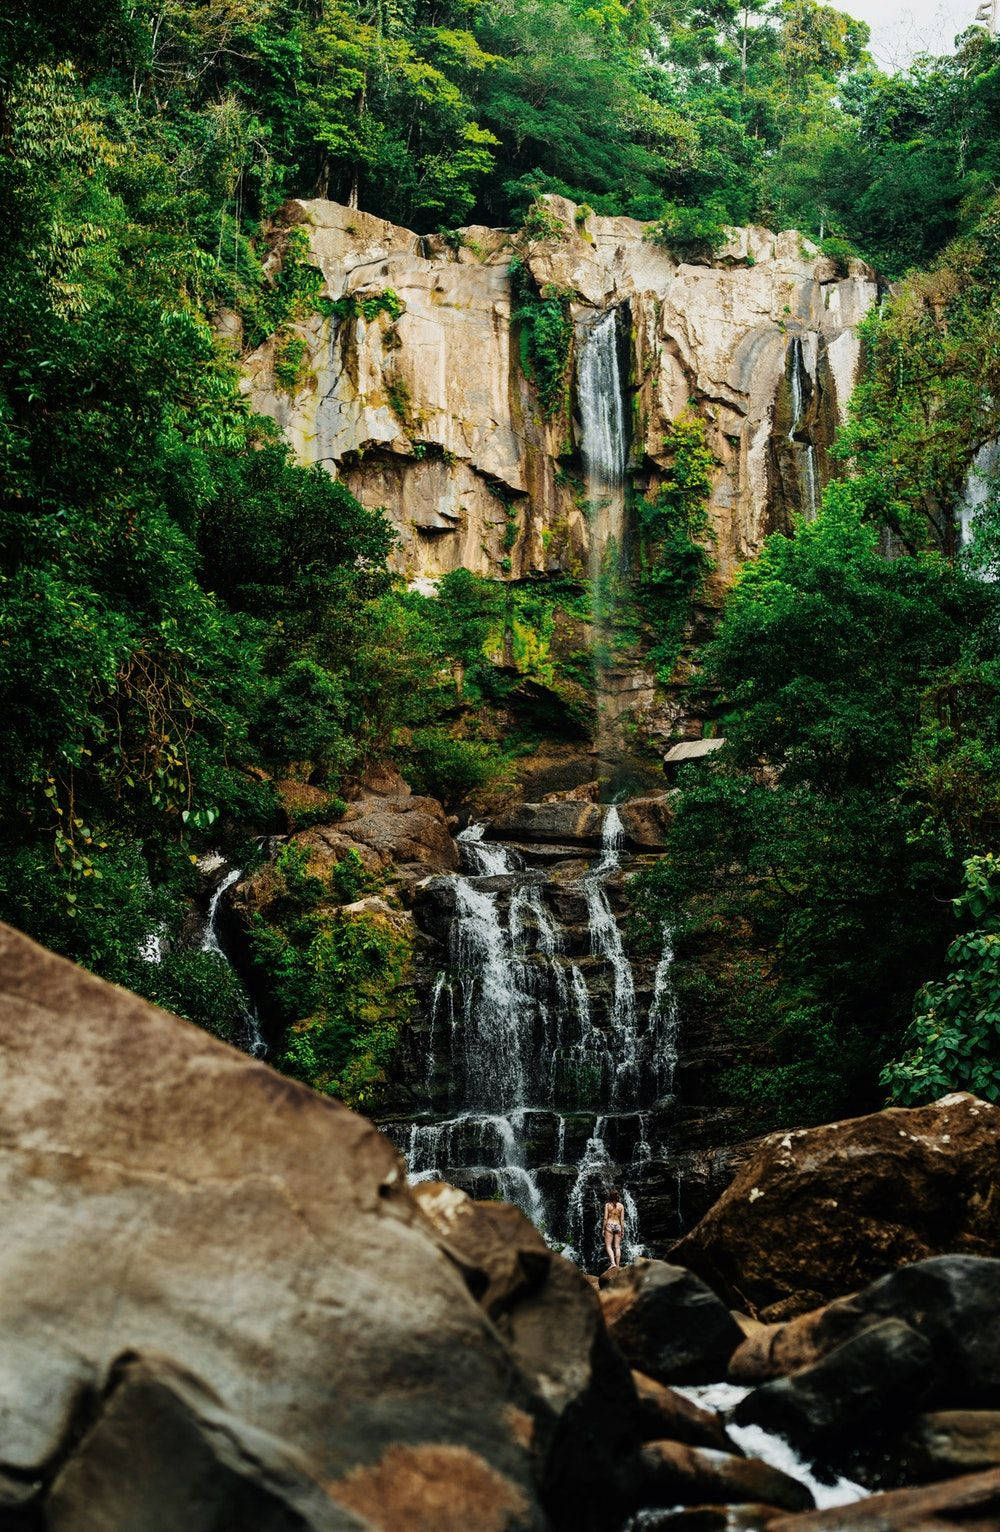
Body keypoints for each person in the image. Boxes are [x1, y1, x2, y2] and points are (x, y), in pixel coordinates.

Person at [602, 1188, 625, 1269]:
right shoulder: (621, 1206)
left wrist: (603, 1229)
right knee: (617, 1247)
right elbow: (622, 1219)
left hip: (609, 1225)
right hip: (618, 1226)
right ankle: (618, 1265)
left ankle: (613, 1263)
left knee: (608, 1246)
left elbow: (605, 1218)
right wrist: (622, 1230)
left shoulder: (608, 1205)